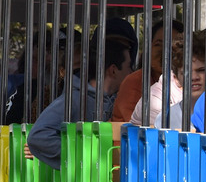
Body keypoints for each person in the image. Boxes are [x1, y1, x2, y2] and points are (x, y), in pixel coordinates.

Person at [28, 37, 133, 169]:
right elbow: (38, 137)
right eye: (128, 67)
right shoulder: (74, 99)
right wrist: (83, 158)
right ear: (113, 70)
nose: (131, 72)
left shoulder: (116, 99)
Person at [113, 17, 183, 123]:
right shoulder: (135, 81)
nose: (165, 50)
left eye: (173, 44)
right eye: (158, 44)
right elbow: (142, 127)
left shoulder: (188, 81)